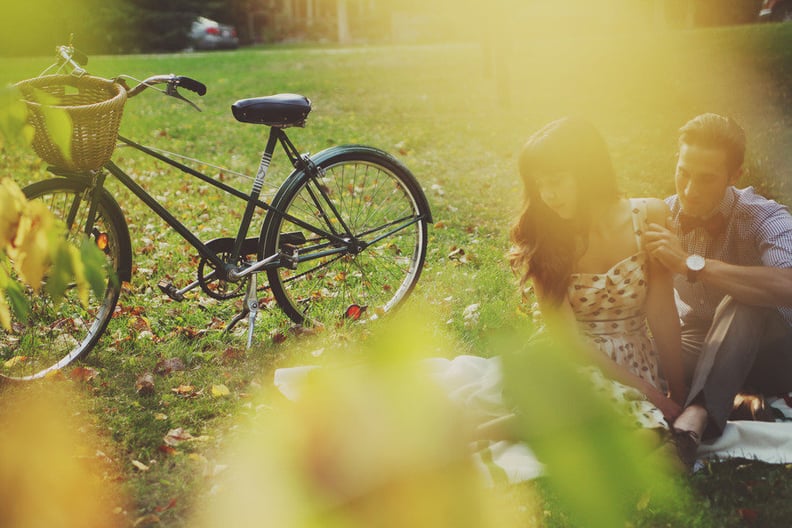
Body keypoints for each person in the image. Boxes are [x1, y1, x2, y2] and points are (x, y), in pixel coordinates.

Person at [509, 117, 688, 430]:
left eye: (555, 180)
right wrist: (651, 394)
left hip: (635, 361)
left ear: (588, 172)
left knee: (632, 424)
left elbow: (662, 312)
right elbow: (569, 343)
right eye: (539, 185)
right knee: (585, 414)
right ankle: (488, 434)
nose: (547, 195)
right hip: (571, 361)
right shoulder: (543, 235)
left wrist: (677, 390)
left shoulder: (650, 216)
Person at [643, 113, 792, 466]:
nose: (690, 190)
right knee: (641, 355)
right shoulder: (663, 215)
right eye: (683, 172)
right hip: (704, 340)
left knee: (745, 299)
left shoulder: (763, 216)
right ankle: (735, 400)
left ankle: (691, 426)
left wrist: (693, 264)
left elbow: (788, 284)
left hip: (778, 352)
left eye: (707, 179)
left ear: (734, 176)